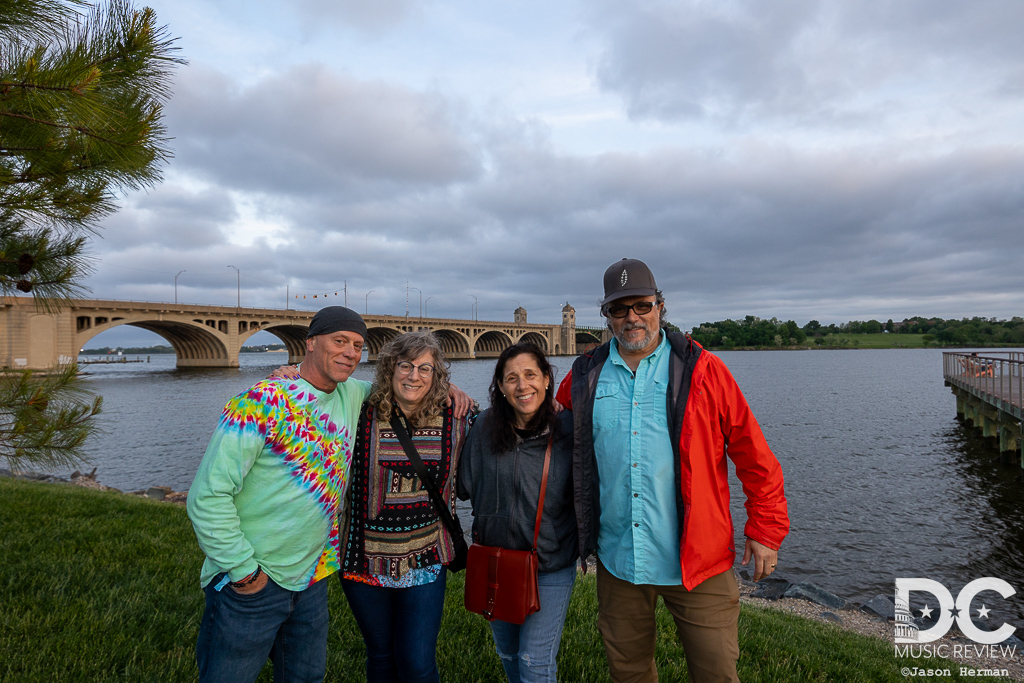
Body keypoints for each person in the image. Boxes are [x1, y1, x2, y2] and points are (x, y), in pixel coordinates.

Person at [555, 258, 790, 683]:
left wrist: (765, 530)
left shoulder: (704, 370)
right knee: (628, 673)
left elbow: (755, 456)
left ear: (660, 306)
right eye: (619, 309)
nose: (632, 317)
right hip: (619, 560)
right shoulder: (585, 375)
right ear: (605, 315)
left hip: (698, 563)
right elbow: (546, 431)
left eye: (642, 305)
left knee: (716, 672)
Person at [187, 306, 372, 683]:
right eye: (339, 341)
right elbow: (207, 497)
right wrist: (244, 573)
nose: (351, 352)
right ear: (309, 344)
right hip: (251, 583)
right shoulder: (260, 402)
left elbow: (408, 387)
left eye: (357, 345)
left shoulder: (352, 395)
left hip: (312, 577)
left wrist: (447, 386)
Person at [340, 330, 472, 683]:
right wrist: (288, 373)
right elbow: (316, 389)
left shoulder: (458, 419)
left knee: (417, 662)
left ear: (438, 376)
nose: (414, 376)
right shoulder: (358, 411)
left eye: (425, 369)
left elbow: (510, 426)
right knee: (381, 656)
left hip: (425, 559)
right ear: (389, 368)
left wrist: (550, 404)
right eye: (406, 365)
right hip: (364, 560)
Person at [458, 342, 577, 683]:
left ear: (546, 380)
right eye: (511, 378)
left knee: (535, 662)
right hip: (496, 561)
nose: (522, 386)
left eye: (530, 375)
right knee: (509, 654)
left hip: (549, 566)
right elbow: (464, 485)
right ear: (499, 386)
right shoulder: (483, 427)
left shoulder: (570, 429)